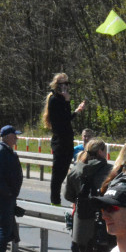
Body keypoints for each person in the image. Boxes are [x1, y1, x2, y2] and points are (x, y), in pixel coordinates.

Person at [63, 138, 110, 252]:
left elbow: (68, 196)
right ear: (100, 152)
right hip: (102, 219)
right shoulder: (109, 170)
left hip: (82, 219)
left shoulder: (76, 170)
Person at [42, 73, 87, 205]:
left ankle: (56, 200)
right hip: (60, 142)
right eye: (63, 84)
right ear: (57, 86)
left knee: (63, 172)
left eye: (67, 84)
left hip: (67, 141)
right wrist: (67, 102)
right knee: (58, 174)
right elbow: (62, 121)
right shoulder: (55, 100)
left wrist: (77, 111)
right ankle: (55, 201)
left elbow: (67, 119)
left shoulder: (61, 100)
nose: (66, 87)